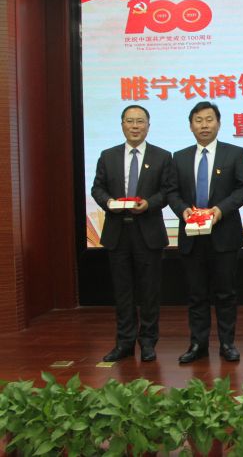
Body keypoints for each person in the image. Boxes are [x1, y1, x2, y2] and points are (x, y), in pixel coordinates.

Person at [168, 101, 243, 363]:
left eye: (209, 119)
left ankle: (227, 344)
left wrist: (220, 209)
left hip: (224, 234)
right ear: (191, 126)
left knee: (226, 293)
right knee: (196, 295)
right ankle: (198, 344)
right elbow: (172, 192)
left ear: (218, 123)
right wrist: (183, 210)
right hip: (191, 235)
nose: (204, 125)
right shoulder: (179, 157)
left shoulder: (234, 153)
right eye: (198, 121)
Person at [91, 105, 175, 363]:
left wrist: (149, 203)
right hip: (118, 232)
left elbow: (168, 191)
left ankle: (148, 342)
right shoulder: (108, 156)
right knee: (123, 291)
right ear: (122, 125)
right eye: (130, 121)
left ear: (148, 126)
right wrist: (109, 202)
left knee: (149, 291)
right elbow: (97, 188)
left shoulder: (163, 156)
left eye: (140, 121)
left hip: (148, 232)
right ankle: (124, 343)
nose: (135, 126)